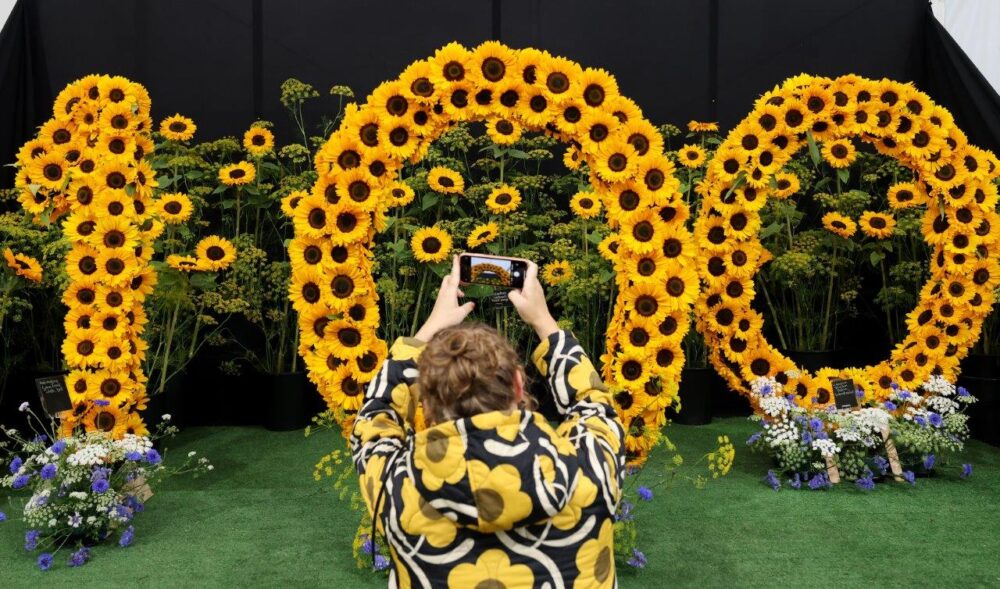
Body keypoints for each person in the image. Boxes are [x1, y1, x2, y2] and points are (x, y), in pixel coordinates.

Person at [351, 256, 625, 588]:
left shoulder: (394, 486)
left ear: (424, 403)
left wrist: (427, 330)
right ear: (519, 385)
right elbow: (593, 402)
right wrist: (544, 322)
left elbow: (377, 414)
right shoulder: (593, 465)